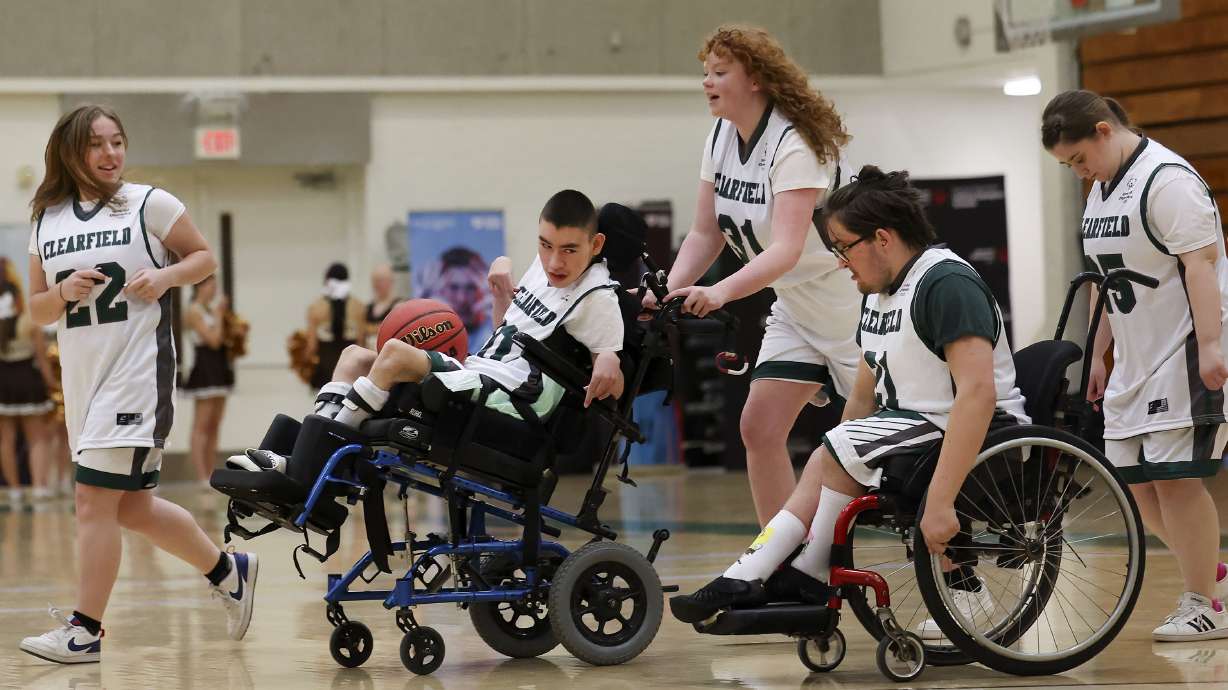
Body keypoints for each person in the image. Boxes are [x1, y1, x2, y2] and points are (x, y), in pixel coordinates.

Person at [669, 167, 1029, 632]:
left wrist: (939, 503)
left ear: (882, 238)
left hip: (984, 430)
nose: (839, 260)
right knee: (833, 449)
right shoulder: (880, 292)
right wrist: (841, 443)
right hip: (918, 428)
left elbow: (978, 394)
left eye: (843, 247)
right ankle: (761, 572)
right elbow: (862, 392)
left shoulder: (946, 284)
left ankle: (794, 573)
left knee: (839, 451)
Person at [18, 104, 257, 664]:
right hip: (83, 381)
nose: (110, 154)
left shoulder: (149, 202)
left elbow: (202, 257)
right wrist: (62, 294)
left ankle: (85, 631)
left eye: (118, 142)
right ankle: (229, 570)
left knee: (91, 500)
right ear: (71, 152)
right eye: (97, 144)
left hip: (136, 374)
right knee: (130, 509)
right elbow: (35, 310)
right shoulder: (45, 218)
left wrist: (167, 276)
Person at [234, 190, 624, 473]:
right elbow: (503, 333)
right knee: (353, 356)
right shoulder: (543, 270)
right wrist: (499, 289)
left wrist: (608, 360)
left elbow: (613, 380)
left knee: (395, 354)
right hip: (485, 371)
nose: (554, 260)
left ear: (596, 244)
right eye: (545, 244)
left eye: (569, 249)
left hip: (515, 400)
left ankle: (309, 467)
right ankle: (305, 453)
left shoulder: (599, 297)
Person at [652, 25, 862, 526]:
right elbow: (706, 234)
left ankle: (957, 563)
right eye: (705, 73)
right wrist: (668, 292)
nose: (707, 83)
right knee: (759, 427)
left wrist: (719, 292)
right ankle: (780, 564)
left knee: (882, 452)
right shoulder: (722, 135)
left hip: (852, 307)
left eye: (720, 73)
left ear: (756, 80)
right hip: (795, 307)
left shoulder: (794, 143)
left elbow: (787, 249)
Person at [1042, 89, 1228, 641]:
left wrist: (1213, 347)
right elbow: (1107, 281)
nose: (1078, 172)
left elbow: (1201, 267)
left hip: (1183, 348)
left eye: (1077, 158)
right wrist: (1101, 352)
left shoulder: (1168, 181)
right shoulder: (1101, 190)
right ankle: (1209, 571)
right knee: (1133, 484)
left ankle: (1205, 604)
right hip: (1134, 356)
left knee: (1177, 483)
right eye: (1066, 166)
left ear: (1104, 130)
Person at [0, 256, 55, 506]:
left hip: (3, 380)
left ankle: (13, 490)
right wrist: (52, 383)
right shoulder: (28, 318)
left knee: (6, 438)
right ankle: (40, 487)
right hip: (27, 381)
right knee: (37, 437)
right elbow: (42, 359)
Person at [181, 274, 235, 485]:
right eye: (211, 286)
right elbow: (213, 340)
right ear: (200, 287)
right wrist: (220, 316)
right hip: (204, 370)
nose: (214, 291)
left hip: (219, 369)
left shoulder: (210, 311)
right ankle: (201, 475)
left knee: (215, 424)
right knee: (201, 425)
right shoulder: (193, 311)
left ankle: (211, 472)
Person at [418, 246, 494, 352]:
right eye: (453, 288)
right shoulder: (427, 334)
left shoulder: (491, 331)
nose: (462, 299)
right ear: (439, 290)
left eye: (470, 288)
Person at [305, 262, 364, 389]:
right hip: (351, 373)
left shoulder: (315, 308)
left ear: (326, 282)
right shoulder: (358, 307)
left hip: (324, 374)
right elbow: (361, 345)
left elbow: (312, 346)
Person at [362, 262, 402, 347]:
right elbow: (361, 330)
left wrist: (368, 328)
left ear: (391, 281)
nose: (377, 284)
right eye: (375, 280)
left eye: (381, 280)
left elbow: (393, 330)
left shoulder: (399, 306)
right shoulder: (367, 307)